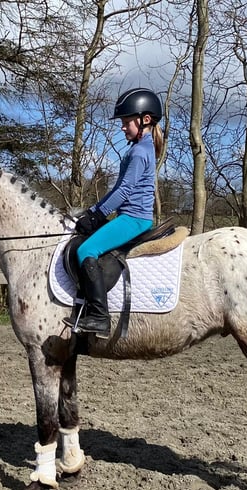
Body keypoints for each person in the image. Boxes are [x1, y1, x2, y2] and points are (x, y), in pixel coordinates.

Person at [64, 87, 164, 339]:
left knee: (86, 250)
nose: (122, 127)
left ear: (145, 120)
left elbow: (124, 192)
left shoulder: (141, 151)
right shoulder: (139, 148)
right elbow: (117, 190)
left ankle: (99, 317)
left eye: (126, 121)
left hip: (134, 220)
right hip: (127, 216)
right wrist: (92, 211)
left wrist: (98, 216)